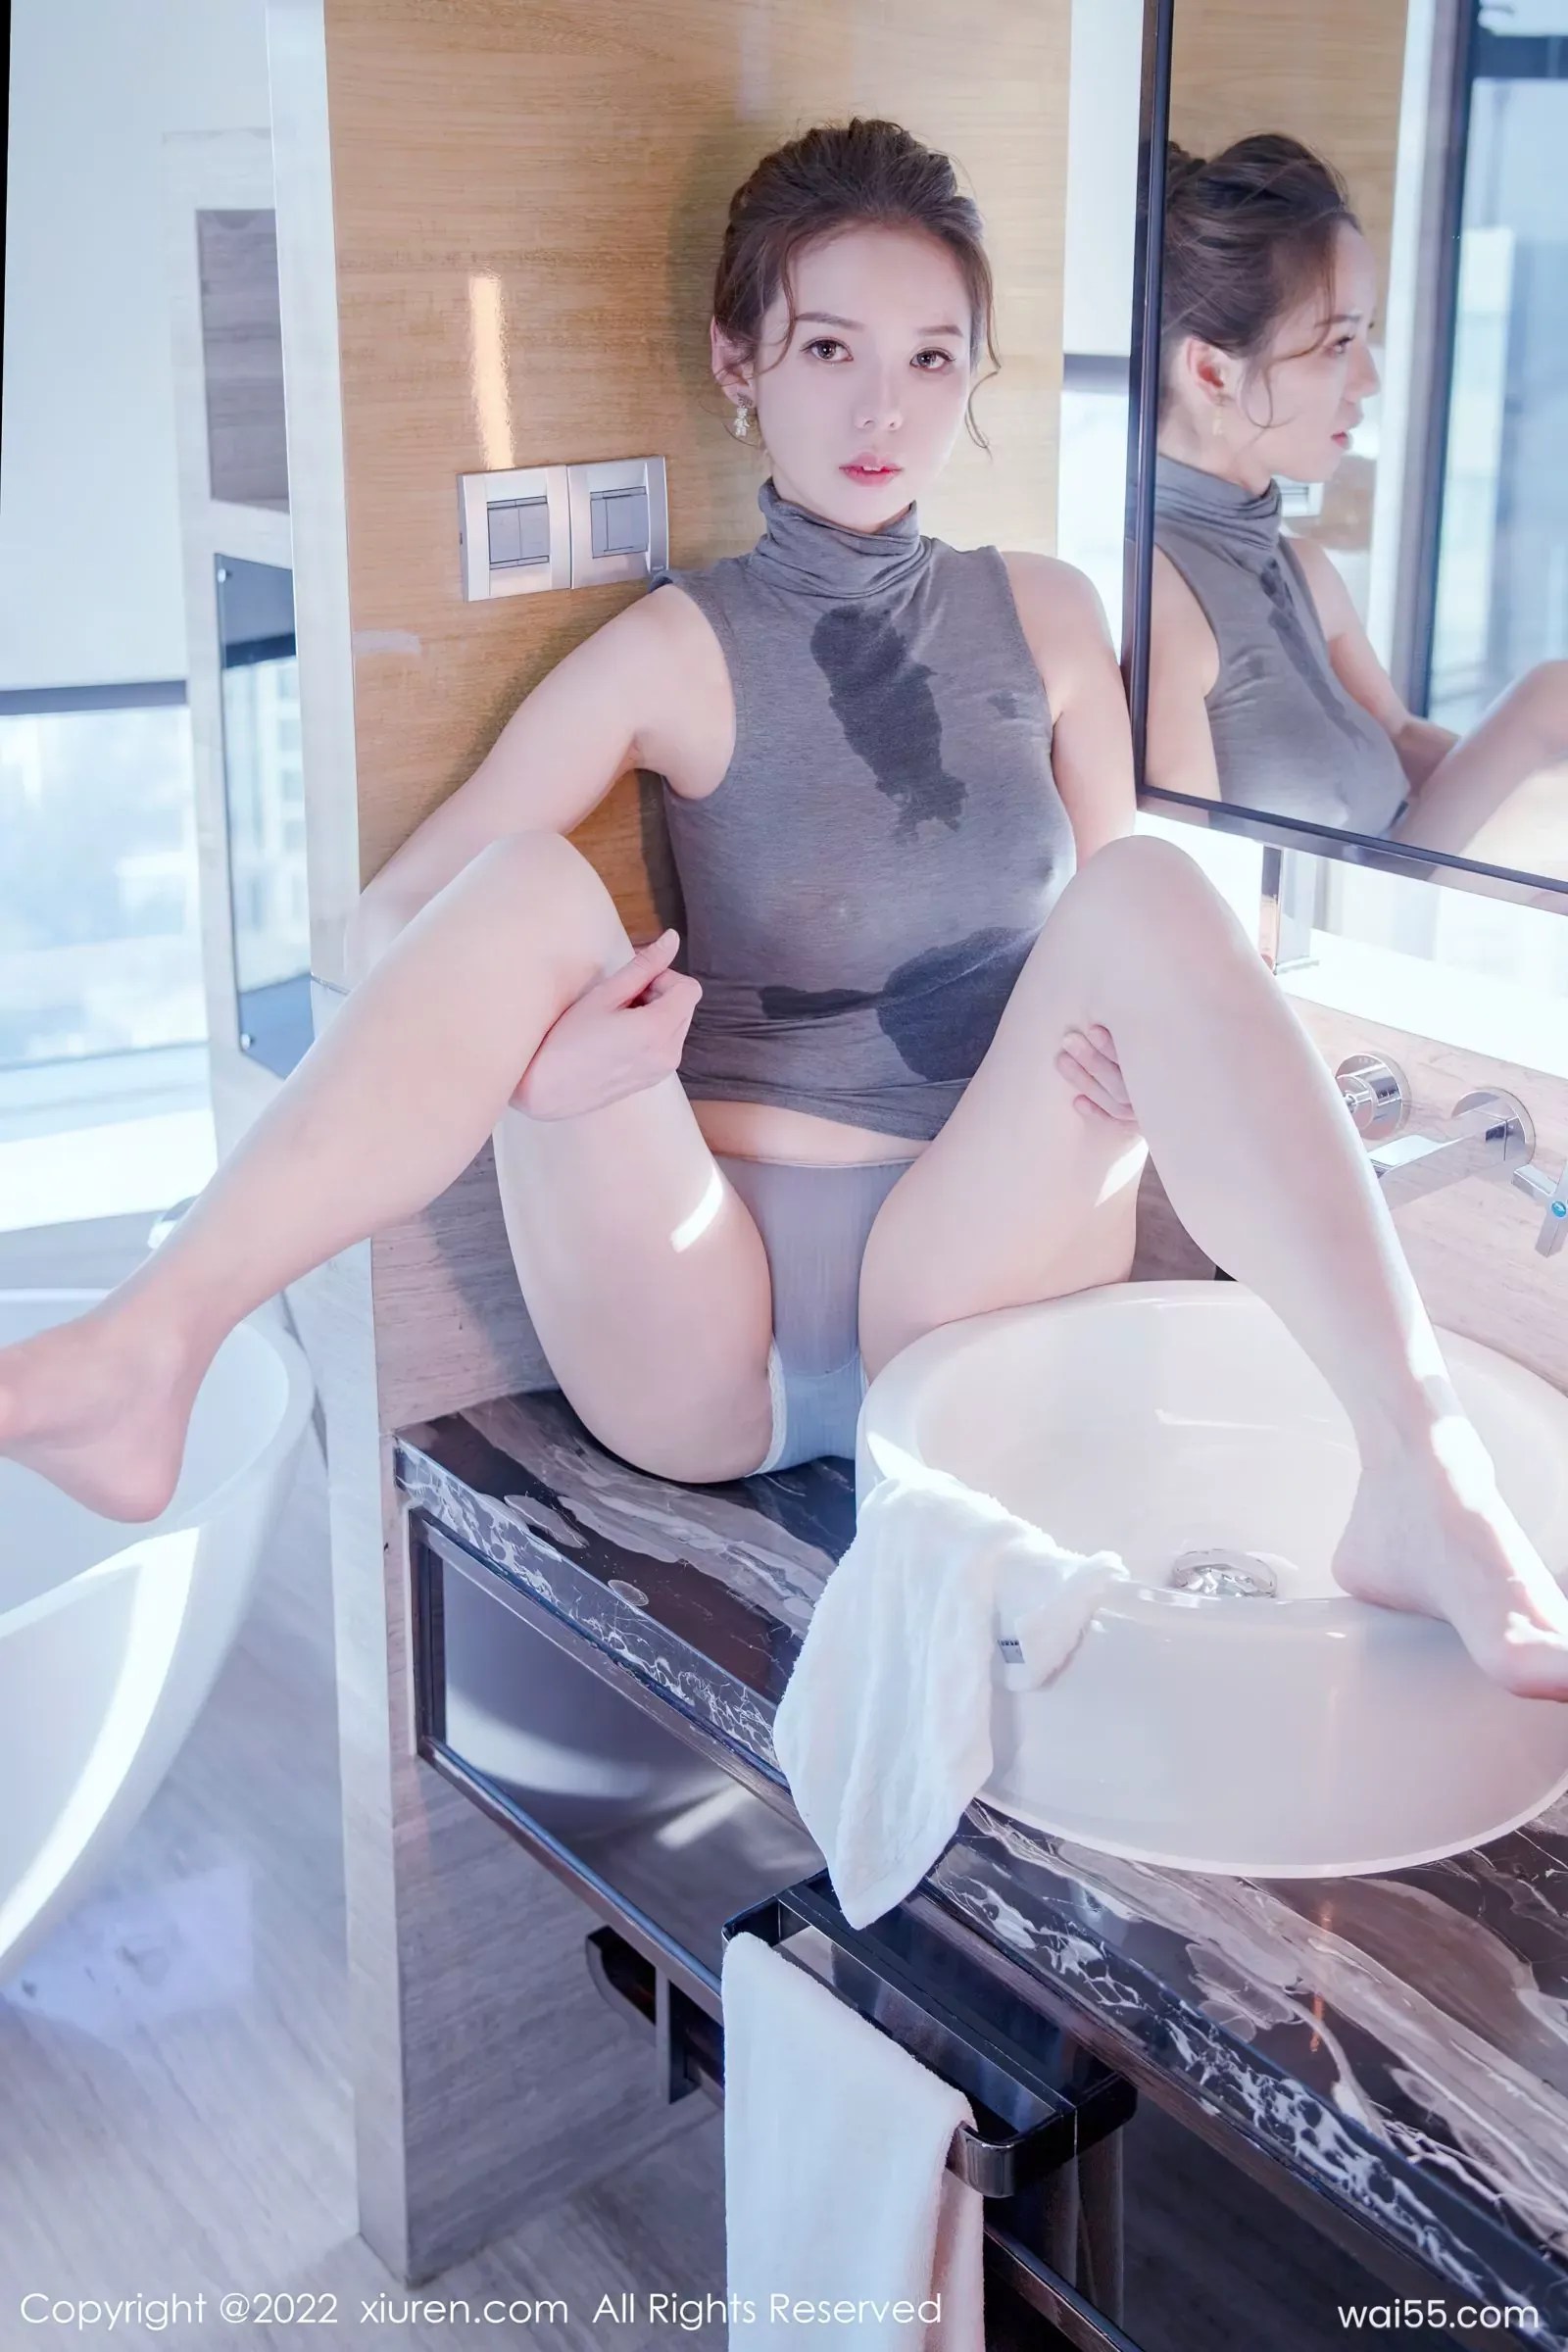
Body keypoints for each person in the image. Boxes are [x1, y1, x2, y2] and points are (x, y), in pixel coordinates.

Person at [2, 118, 1565, 1699]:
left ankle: (1426, 1474)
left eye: (932, 358)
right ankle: (156, 1345)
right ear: (737, 359)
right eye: (829, 349)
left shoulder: (1052, 617)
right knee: (524, 887)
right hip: (703, 1313)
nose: (884, 410)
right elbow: (385, 920)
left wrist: (1146, 1078)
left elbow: (1147, 944)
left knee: (1152, 883)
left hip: (974, 1271)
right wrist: (542, 1063)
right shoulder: (679, 648)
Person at [1150, 132, 1568, 858]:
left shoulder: (1306, 571)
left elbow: (1401, 739)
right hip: (1319, 923)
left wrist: (1536, 797)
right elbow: (1177, 880)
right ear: (1212, 372)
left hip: (1399, 887)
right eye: (1339, 344)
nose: (1368, 381)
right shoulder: (1156, 591)